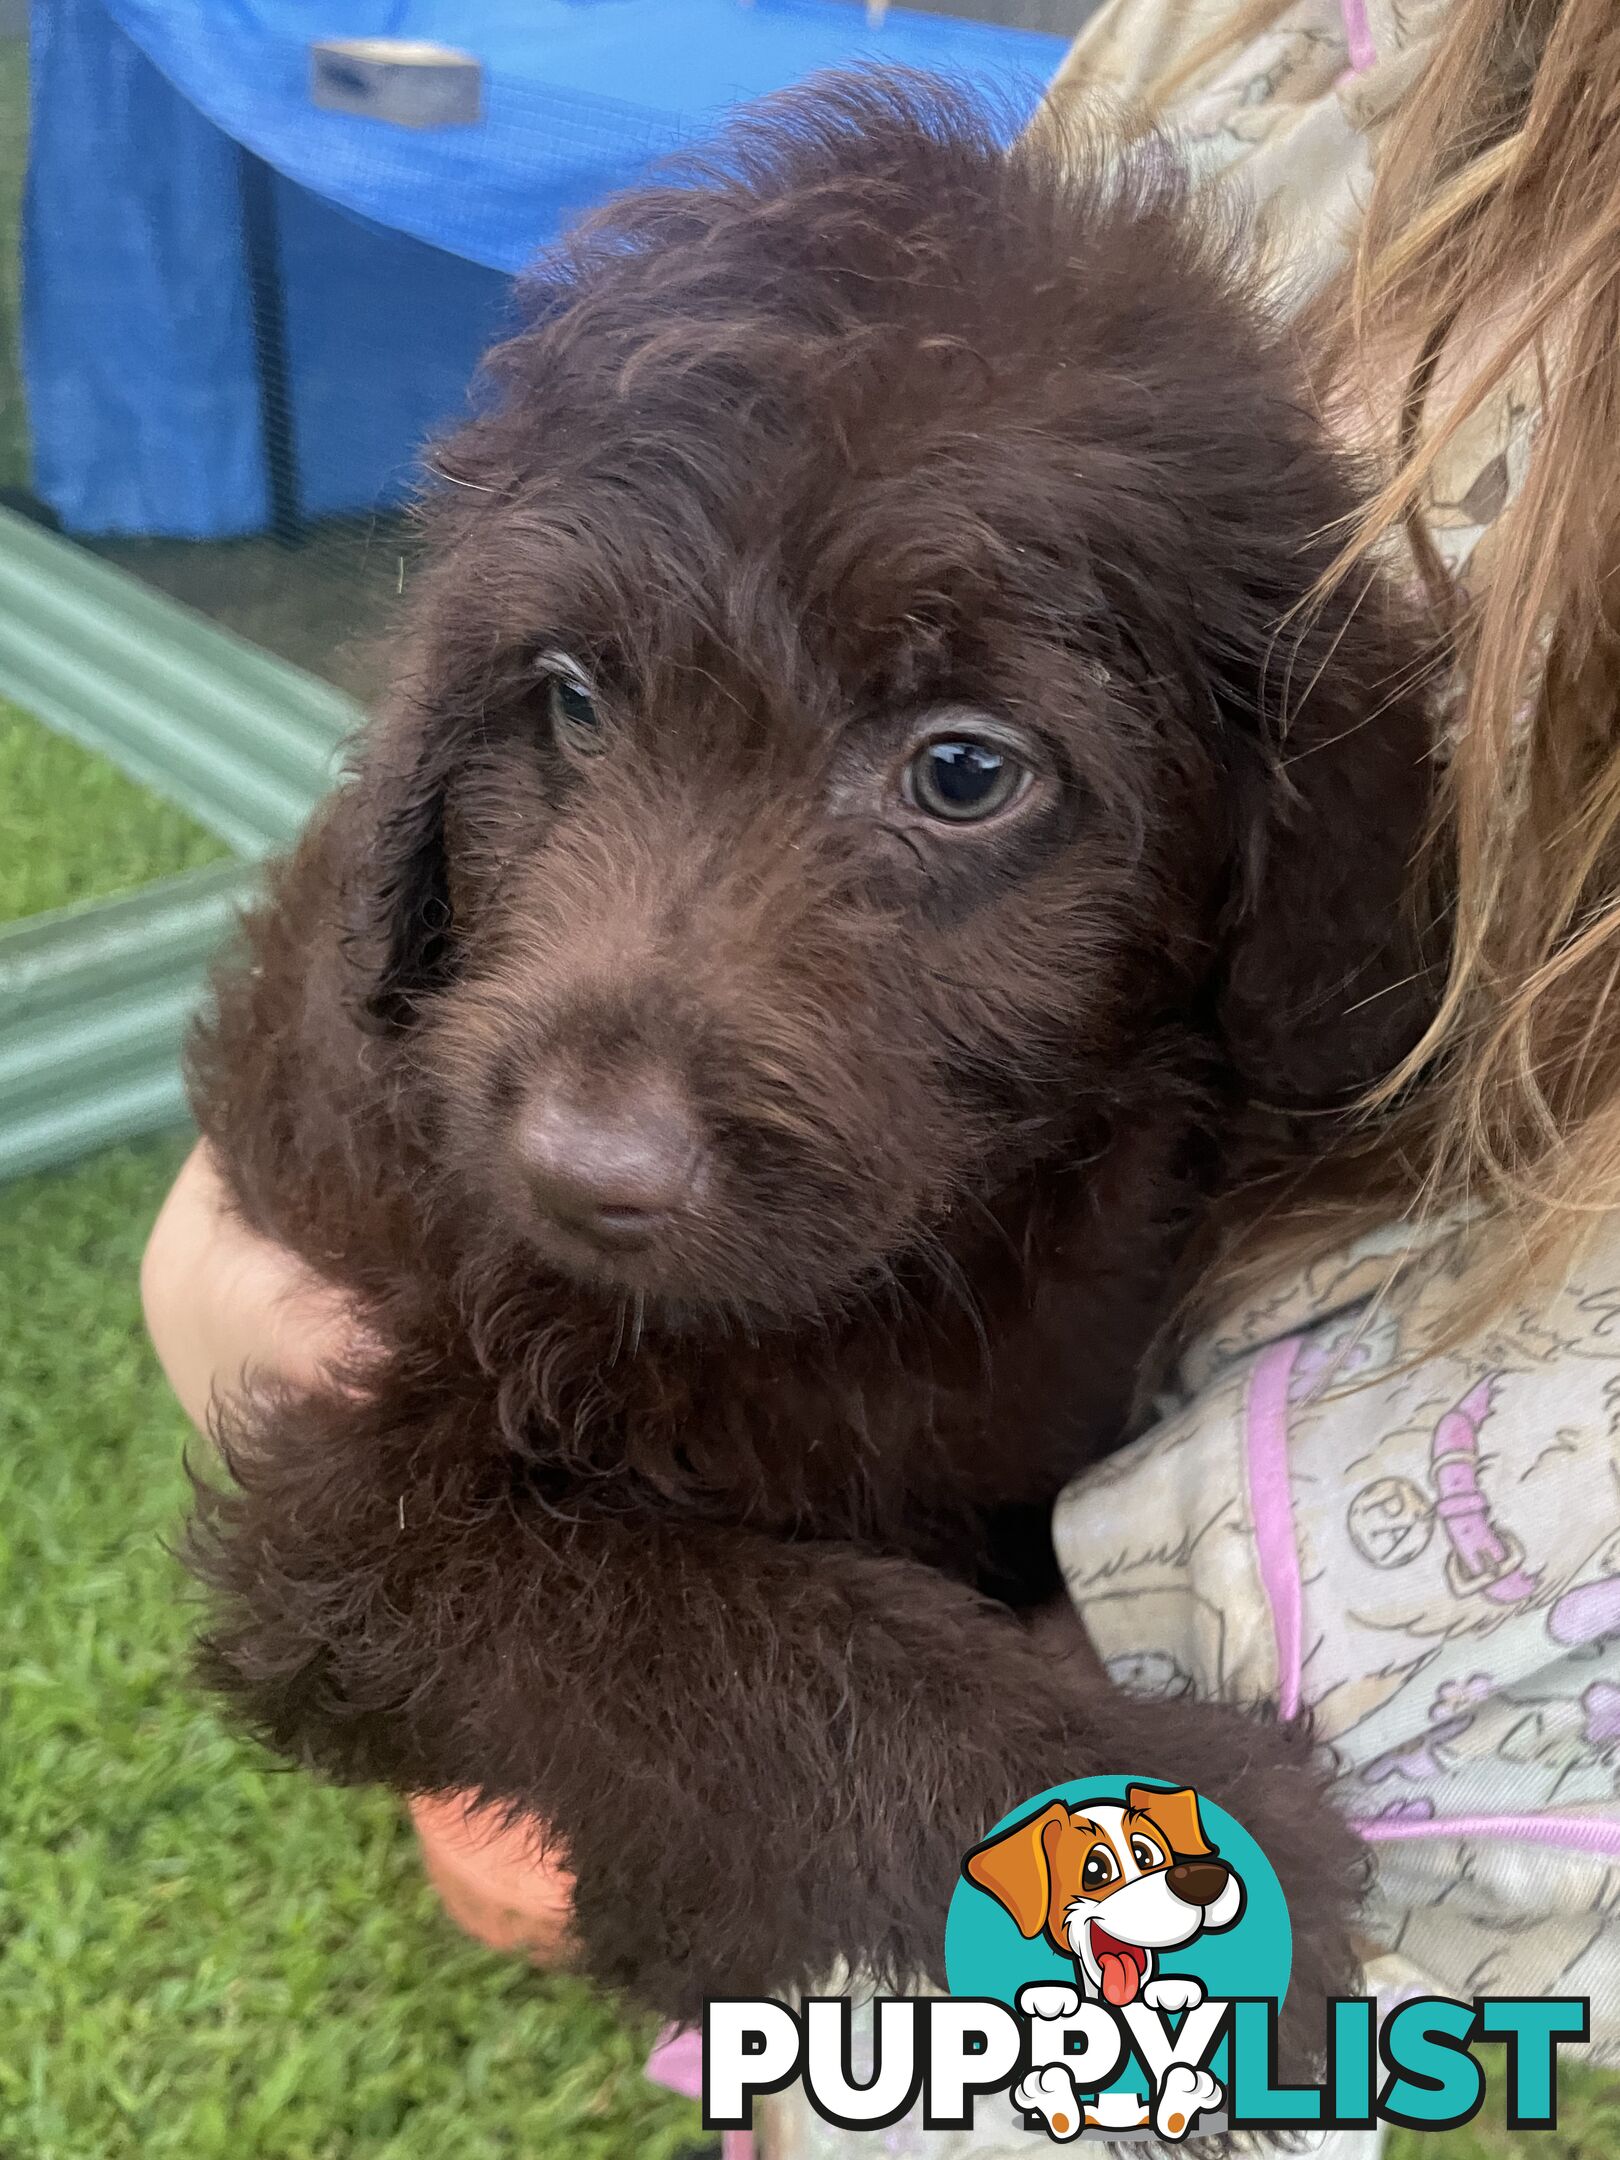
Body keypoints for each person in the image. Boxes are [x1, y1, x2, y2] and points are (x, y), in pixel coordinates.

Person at [143, 0, 1620, 2149]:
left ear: (1265, 848)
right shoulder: (1255, 76)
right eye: (574, 705)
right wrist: (946, 1778)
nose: (606, 1119)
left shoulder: (1290, 935)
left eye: (956, 772)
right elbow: (342, 1571)